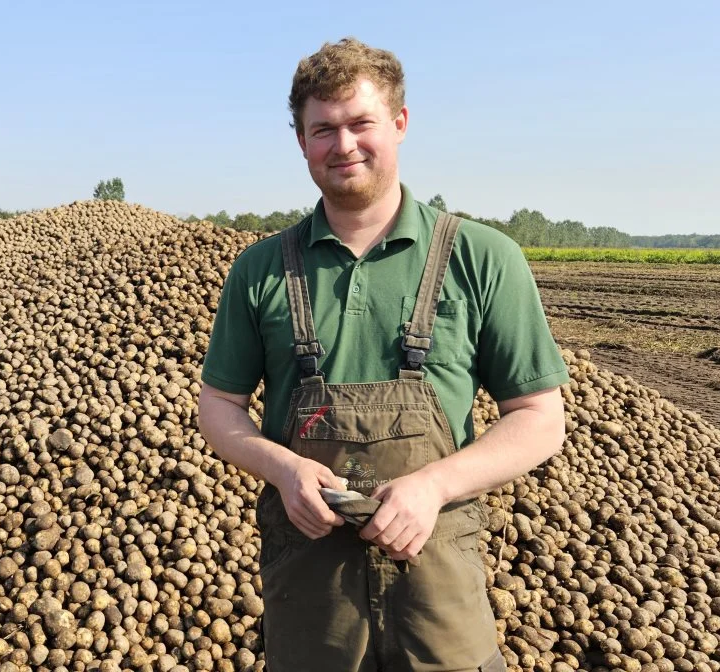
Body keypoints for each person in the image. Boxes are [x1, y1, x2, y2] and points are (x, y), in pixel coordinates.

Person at [196, 37, 570, 672]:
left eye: (361, 123)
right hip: (313, 594)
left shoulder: (481, 257)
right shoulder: (260, 270)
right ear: (301, 141)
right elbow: (219, 410)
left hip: (437, 583)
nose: (343, 146)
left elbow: (540, 417)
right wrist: (285, 471)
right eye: (323, 130)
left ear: (399, 123)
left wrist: (433, 486)